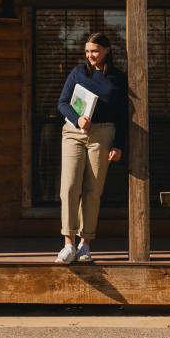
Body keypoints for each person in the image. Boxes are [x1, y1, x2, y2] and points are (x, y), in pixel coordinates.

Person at [55, 31, 127, 263]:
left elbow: (124, 115)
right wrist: (78, 119)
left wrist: (118, 145)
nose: (90, 55)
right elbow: (63, 103)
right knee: (69, 187)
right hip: (74, 133)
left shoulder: (118, 78)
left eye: (95, 51)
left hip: (103, 134)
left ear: (107, 50)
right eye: (87, 51)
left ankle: (85, 244)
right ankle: (68, 244)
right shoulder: (78, 72)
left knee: (93, 190)